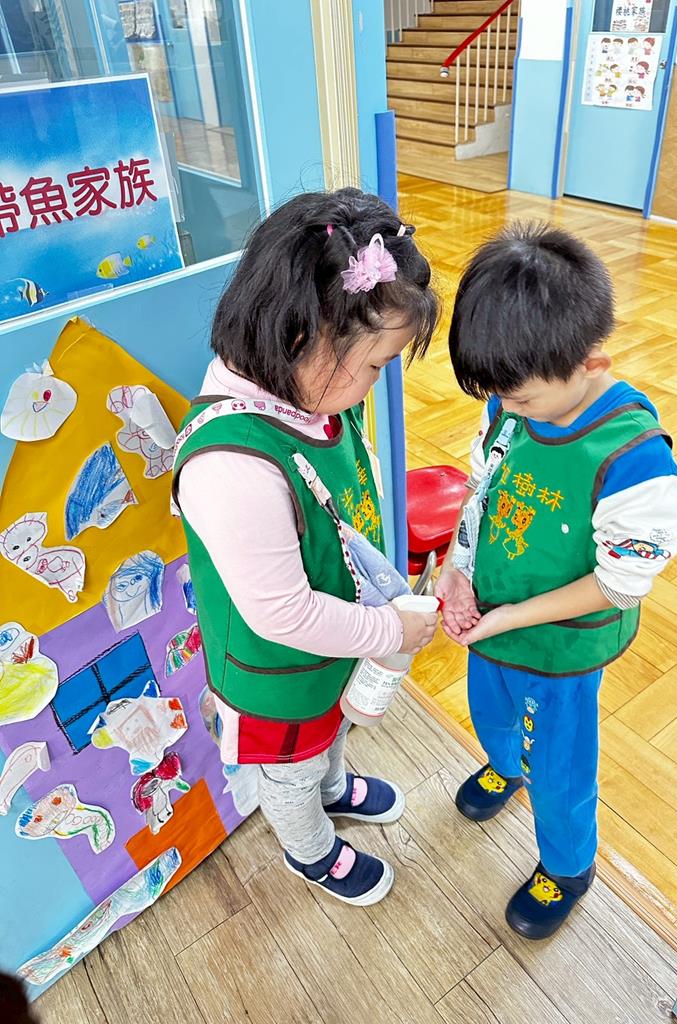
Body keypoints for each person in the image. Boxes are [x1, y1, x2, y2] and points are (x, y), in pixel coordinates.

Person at [172, 189, 438, 907]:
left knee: (330, 729)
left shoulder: (308, 395)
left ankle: (333, 784)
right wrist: (391, 630)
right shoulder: (232, 466)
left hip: (332, 648)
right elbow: (282, 615)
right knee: (289, 771)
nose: (377, 382)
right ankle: (310, 850)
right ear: (302, 337)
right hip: (280, 670)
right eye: (376, 364)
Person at [436, 222, 677, 939]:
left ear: (588, 362)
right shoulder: (511, 398)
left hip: (560, 648)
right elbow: (481, 490)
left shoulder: (633, 459)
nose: (503, 410)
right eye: (497, 397)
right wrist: (456, 569)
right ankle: (503, 764)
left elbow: (619, 584)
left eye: (519, 400)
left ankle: (568, 865)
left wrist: (509, 617)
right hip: (493, 617)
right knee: (490, 711)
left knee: (560, 767)